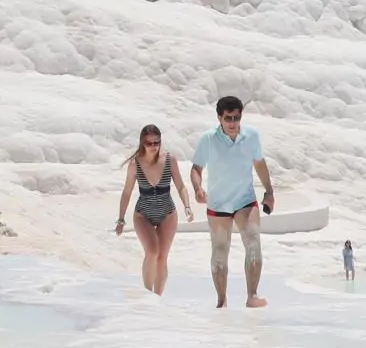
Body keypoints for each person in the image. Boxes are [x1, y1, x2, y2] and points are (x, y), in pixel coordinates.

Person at [190, 95, 275, 309]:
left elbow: (259, 163)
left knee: (253, 242)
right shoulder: (208, 139)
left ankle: (252, 295)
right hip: (218, 204)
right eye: (228, 118)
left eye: (236, 118)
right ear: (219, 118)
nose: (233, 123)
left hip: (244, 200)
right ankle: (222, 300)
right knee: (220, 252)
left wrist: (269, 191)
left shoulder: (251, 136)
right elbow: (196, 168)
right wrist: (198, 188)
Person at [115, 124, 194, 295]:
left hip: (167, 212)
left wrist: (187, 206)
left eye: (156, 143)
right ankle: (147, 294)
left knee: (162, 257)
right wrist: (121, 219)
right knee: (152, 251)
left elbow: (180, 186)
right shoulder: (135, 164)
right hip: (143, 214)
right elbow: (127, 192)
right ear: (142, 143)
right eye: (149, 143)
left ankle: (158, 297)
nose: (153, 147)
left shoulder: (169, 159)